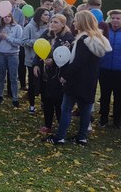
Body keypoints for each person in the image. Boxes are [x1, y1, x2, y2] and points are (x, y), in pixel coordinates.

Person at [46, 11, 111, 145]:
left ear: (82, 22)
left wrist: (65, 76)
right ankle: (82, 137)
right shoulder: (97, 38)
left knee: (66, 109)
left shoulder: (83, 40)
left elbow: (77, 62)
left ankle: (60, 136)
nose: (73, 23)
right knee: (85, 109)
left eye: (75, 20)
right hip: (90, 79)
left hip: (77, 80)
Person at [34, 14, 74, 133]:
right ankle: (48, 125)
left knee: (58, 101)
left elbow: (68, 58)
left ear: (63, 24)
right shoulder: (46, 34)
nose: (52, 24)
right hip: (45, 74)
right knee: (46, 100)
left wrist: (54, 62)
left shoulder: (68, 38)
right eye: (51, 21)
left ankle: (61, 126)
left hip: (58, 75)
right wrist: (36, 63)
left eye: (56, 22)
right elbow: (38, 47)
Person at [21, 8, 49, 113]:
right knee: (33, 83)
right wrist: (37, 42)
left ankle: (43, 103)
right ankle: (32, 105)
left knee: (44, 83)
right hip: (32, 59)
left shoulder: (48, 28)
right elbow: (23, 42)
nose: (48, 17)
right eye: (46, 14)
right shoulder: (29, 27)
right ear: (40, 15)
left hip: (45, 60)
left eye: (48, 15)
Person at [0, 12, 23, 107]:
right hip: (1, 54)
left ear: (11, 17)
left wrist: (7, 38)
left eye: (8, 16)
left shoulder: (17, 27)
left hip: (13, 55)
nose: (6, 18)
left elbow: (19, 42)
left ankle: (15, 98)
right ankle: (0, 96)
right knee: (1, 76)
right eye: (5, 16)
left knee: (13, 77)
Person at [98, 9, 121, 128]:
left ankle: (117, 121)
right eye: (113, 18)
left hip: (119, 71)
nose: (115, 20)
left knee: (118, 97)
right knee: (105, 96)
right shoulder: (103, 31)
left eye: (118, 18)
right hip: (104, 69)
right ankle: (103, 119)